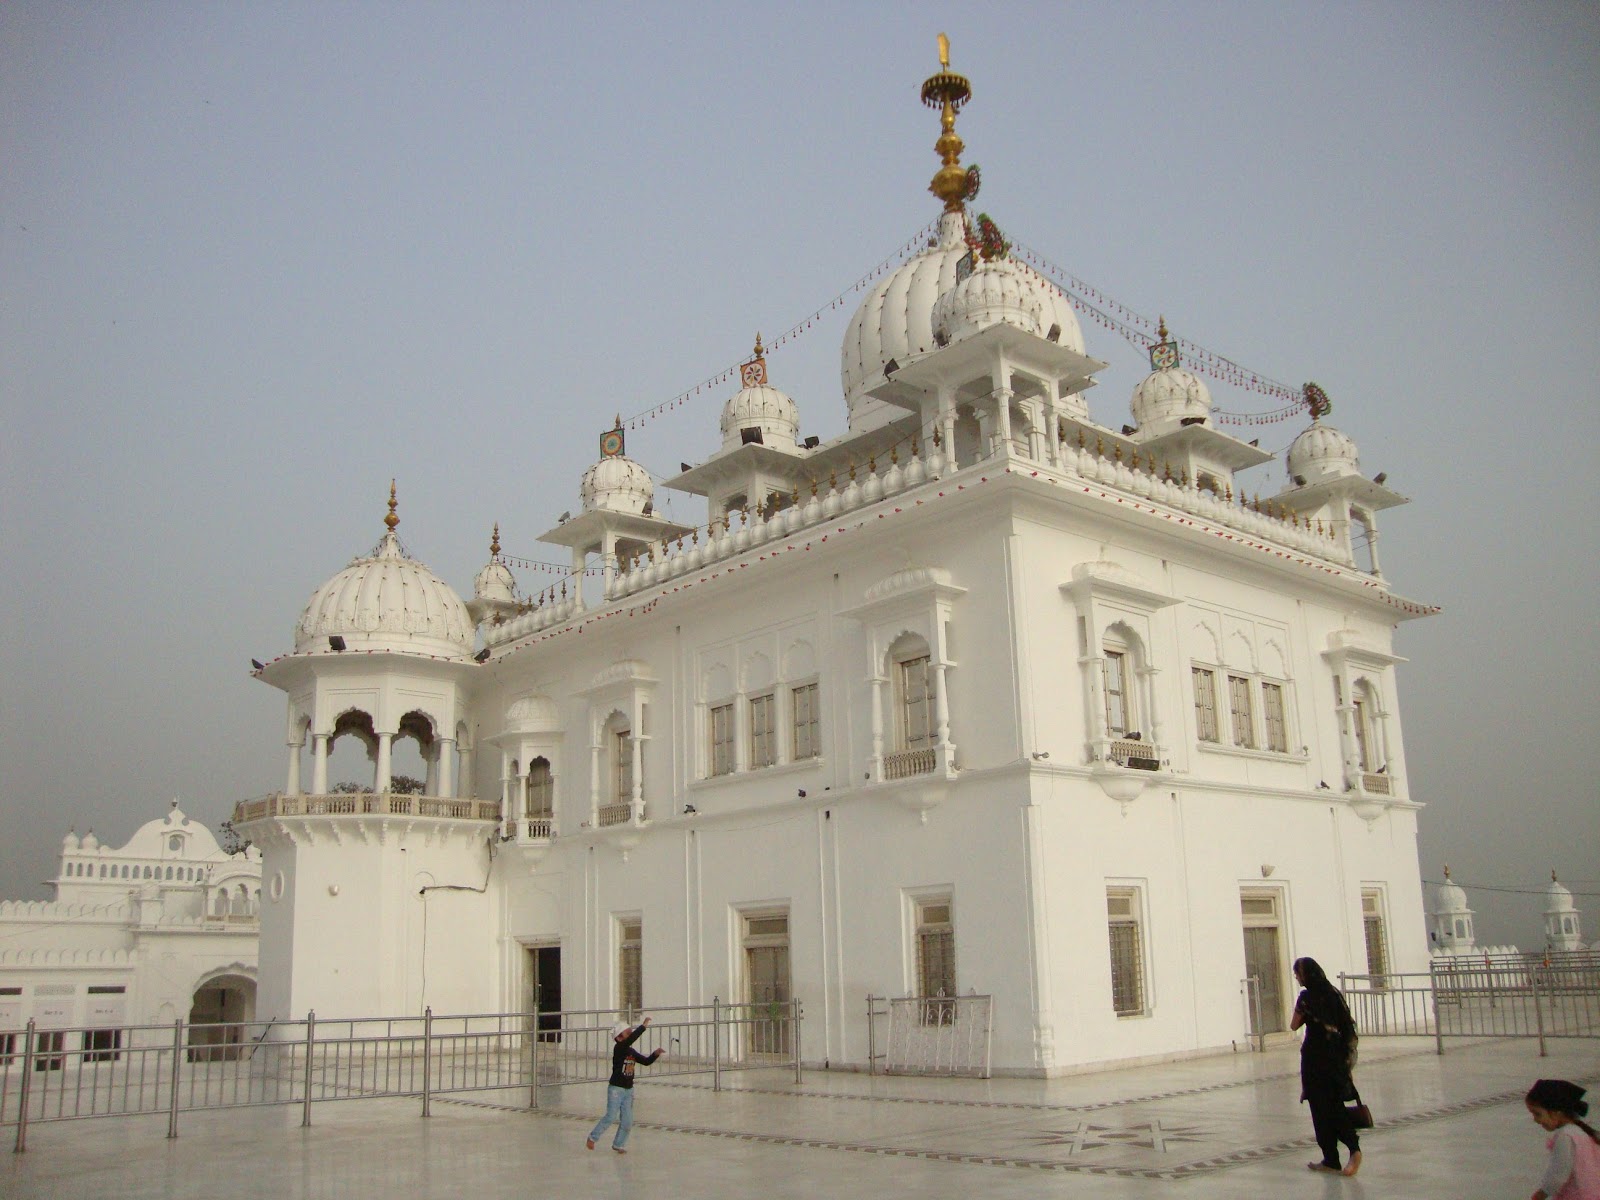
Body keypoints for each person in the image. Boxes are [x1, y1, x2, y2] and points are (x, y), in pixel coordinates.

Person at [1290, 956, 1362, 1176]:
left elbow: (1293, 1025)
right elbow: (1345, 1024)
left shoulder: (1306, 998)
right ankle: (1335, 1158)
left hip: (1315, 1060)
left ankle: (1347, 1152)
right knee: (1333, 1104)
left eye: (1298, 974)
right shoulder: (1333, 993)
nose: (1297, 978)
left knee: (1322, 1109)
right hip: (1335, 1059)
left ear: (1305, 975)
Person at [586, 1016, 665, 1154]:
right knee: (611, 1116)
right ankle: (593, 1137)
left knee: (627, 1121)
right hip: (616, 1089)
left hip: (628, 1090)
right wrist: (643, 1027)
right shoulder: (619, 1048)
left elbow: (646, 1061)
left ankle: (619, 1144)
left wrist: (655, 1054)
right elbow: (631, 1039)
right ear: (619, 1037)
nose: (630, 1034)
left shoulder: (631, 1052)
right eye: (627, 1033)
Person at [1526, 1079, 1600, 1200]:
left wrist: (1542, 1193)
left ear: (1557, 1113)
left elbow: (1559, 1173)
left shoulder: (1566, 1136)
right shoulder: (1584, 1133)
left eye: (1538, 1114)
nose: (1535, 1120)